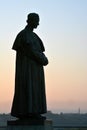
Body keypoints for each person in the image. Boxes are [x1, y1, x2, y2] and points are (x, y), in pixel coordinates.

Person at [11, 13, 48, 120]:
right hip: (27, 69)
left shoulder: (34, 36)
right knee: (28, 88)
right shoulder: (24, 35)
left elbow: (38, 51)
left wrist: (43, 58)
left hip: (35, 69)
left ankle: (33, 111)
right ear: (30, 21)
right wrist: (43, 59)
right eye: (37, 21)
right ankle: (28, 112)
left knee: (34, 89)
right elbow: (31, 51)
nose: (38, 23)